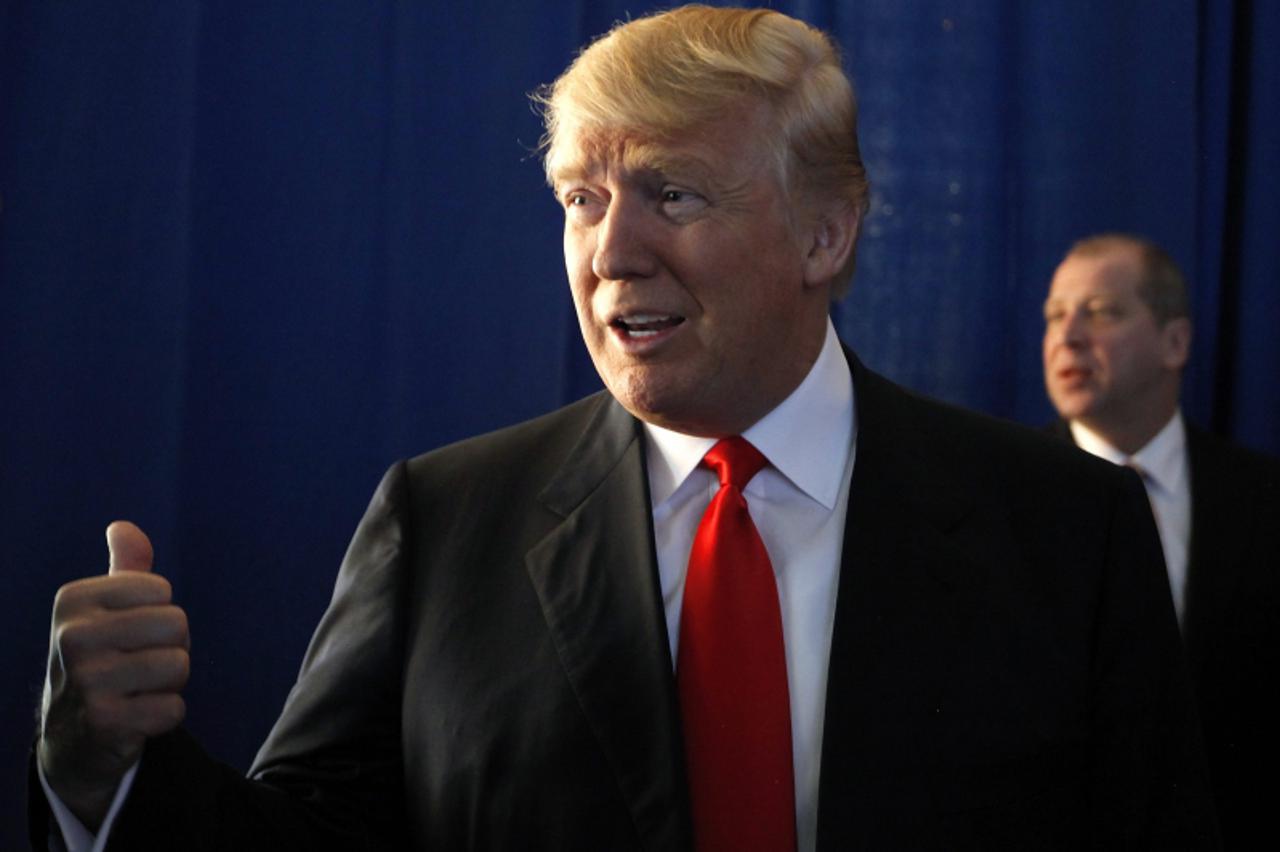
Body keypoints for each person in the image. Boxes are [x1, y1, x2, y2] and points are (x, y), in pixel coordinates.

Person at [33, 7, 1218, 851]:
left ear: (824, 235)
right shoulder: (443, 525)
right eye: (580, 200)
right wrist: (112, 777)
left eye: (672, 193)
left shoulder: (1067, 530)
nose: (609, 255)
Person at [1042, 232, 1280, 849]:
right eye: (1054, 316)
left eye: (1100, 312)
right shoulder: (998, 496)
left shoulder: (1262, 498)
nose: (1066, 338)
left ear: (1175, 342)